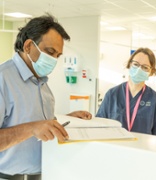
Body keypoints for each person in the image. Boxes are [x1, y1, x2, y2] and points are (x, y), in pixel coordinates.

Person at [0, 14, 92, 180]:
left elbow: (40, 122)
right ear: (28, 46)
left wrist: (66, 119)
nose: (54, 60)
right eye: (50, 52)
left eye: (57, 55)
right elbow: (34, 126)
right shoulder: (3, 79)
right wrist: (32, 128)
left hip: (43, 173)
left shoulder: (43, 84)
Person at [96, 47, 156, 136]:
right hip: (115, 147)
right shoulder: (112, 94)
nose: (139, 69)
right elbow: (99, 125)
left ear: (151, 72)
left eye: (145, 67)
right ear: (129, 64)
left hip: (142, 148)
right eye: (136, 64)